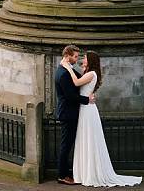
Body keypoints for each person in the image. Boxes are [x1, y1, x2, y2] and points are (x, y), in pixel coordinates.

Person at [61, 51, 142, 187]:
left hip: (87, 111)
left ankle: (90, 173)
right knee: (84, 139)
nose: (83, 59)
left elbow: (75, 83)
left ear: (90, 60)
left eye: (85, 58)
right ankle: (84, 172)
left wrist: (67, 66)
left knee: (89, 140)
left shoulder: (92, 74)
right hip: (85, 108)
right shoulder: (88, 73)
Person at [55, 45, 94, 185]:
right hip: (67, 114)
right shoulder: (63, 73)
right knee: (66, 145)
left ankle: (66, 173)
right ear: (68, 55)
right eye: (76, 57)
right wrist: (87, 100)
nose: (77, 59)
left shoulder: (67, 70)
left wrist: (84, 70)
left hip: (70, 113)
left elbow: (80, 79)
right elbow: (70, 96)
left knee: (68, 144)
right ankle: (62, 175)